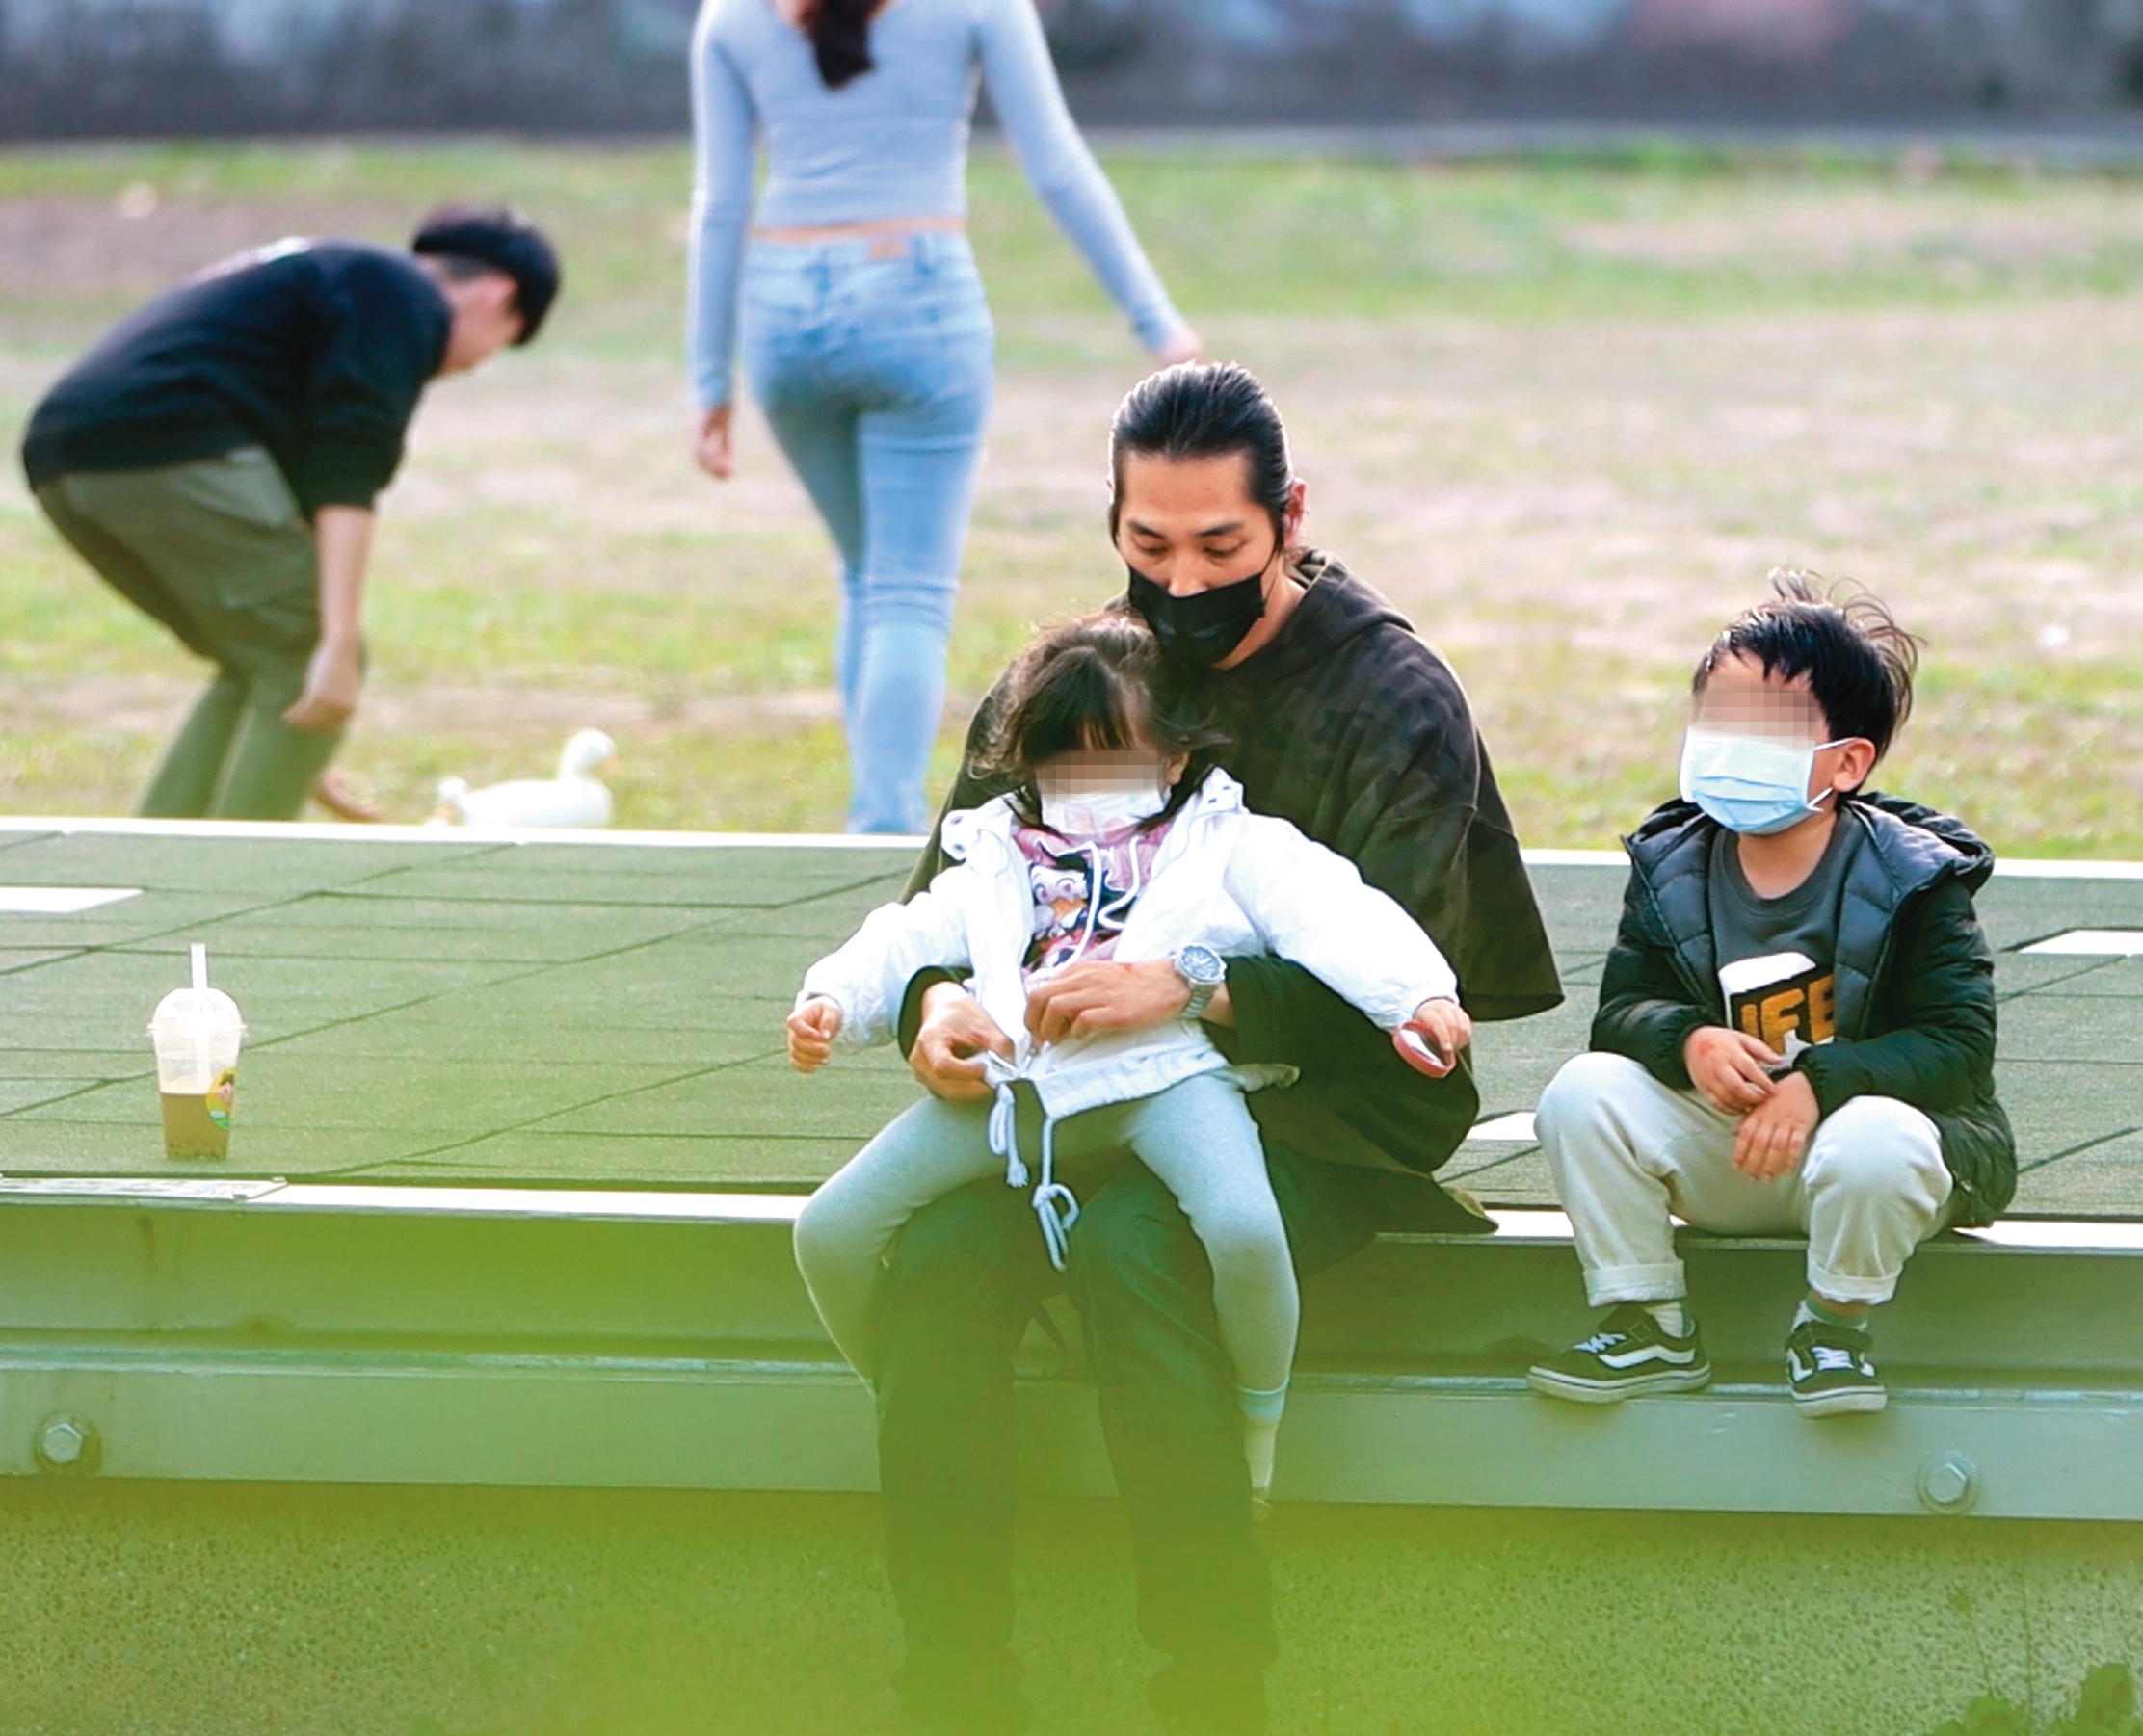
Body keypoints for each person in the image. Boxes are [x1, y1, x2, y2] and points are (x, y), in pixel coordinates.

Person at [847, 362, 1560, 1735]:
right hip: (1067, 1094)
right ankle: (948, 1683)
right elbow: (944, 903)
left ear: (1289, 516)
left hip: (1322, 1109)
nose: (1180, 583)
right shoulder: (1074, 674)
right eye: (1146, 545)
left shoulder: (1391, 692)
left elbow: (1404, 978)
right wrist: (937, 1006)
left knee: (1136, 1247)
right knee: (930, 1263)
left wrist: (1184, 991)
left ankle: (1213, 1679)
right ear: (1110, 520)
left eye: (1221, 547)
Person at [788, 611, 1472, 1509]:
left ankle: (1256, 1419)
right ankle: (896, 1394)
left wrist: (1417, 995)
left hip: (1165, 1082)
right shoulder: (998, 852)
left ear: (1176, 757)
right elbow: (907, 933)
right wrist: (832, 1000)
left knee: (1243, 1229)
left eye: (1112, 757)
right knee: (827, 1230)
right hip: (1023, 1098)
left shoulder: (1229, 842)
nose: (1085, 784)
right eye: (1060, 763)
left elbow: (1333, 913)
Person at [687, 0, 1201, 837]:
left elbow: (719, 202)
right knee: (903, 593)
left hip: (779, 310)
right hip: (916, 300)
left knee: (869, 578)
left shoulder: (730, 15)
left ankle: (870, 815)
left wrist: (709, 377)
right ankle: (880, 833)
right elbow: (1056, 165)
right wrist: (1157, 322)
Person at [1527, 573, 2013, 1416]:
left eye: (1768, 726)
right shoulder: (1671, 864)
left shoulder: (1916, 879)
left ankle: (1831, 1325)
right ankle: (1647, 1319)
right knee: (1581, 1093)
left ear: (1848, 761)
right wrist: (1688, 1041)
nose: (1730, 743)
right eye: (1719, 718)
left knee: (1878, 1139)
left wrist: (1817, 1084)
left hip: (1860, 1162)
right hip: (1733, 1152)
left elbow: (1956, 1044)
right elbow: (1620, 1010)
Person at [19, 206, 558, 822]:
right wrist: (337, 645)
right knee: (305, 648)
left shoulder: (332, 276)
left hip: (63, 455)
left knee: (260, 658)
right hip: (166, 441)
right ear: (499, 296)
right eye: (495, 349)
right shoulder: (406, 297)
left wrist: (287, 746)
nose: (470, 367)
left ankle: (156, 874)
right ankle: (237, 885)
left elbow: (302, 484)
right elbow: (347, 468)